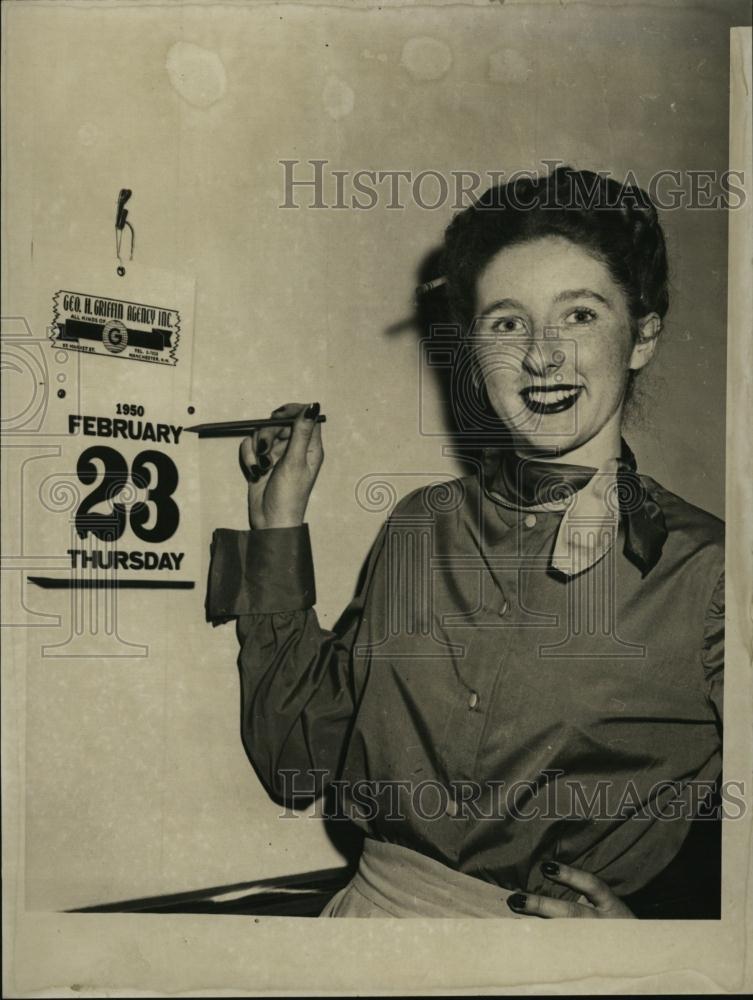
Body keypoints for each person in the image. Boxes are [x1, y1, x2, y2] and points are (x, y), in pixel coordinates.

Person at [206, 167, 724, 918]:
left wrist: (661, 941)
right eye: (506, 323)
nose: (540, 357)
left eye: (578, 315)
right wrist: (275, 522)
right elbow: (293, 758)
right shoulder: (422, 525)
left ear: (641, 336)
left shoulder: (708, 574)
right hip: (359, 937)